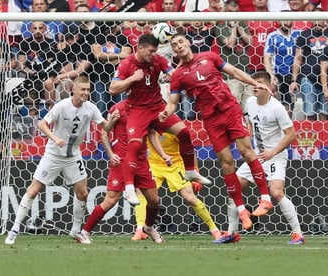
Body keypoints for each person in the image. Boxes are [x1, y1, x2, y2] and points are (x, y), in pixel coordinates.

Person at [160, 33, 272, 230]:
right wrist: (165, 113)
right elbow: (173, 102)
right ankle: (242, 210)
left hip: (230, 109)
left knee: (246, 151)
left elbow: (235, 72)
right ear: (173, 50)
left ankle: (265, 198)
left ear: (188, 42)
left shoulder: (209, 56)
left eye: (180, 42)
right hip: (211, 119)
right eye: (174, 45)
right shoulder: (177, 75)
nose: (178, 46)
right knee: (226, 162)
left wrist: (256, 83)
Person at [5, 75, 118, 245]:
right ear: (74, 89)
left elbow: (105, 127)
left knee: (83, 192)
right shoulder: (62, 106)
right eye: (83, 89)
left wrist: (113, 120)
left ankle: (76, 231)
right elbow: (42, 124)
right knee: (34, 190)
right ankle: (14, 229)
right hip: (53, 155)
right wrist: (55, 137)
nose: (86, 93)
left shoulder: (91, 108)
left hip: (73, 156)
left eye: (88, 90)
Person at [109, 34, 210, 207]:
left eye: (155, 51)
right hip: (137, 110)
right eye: (150, 51)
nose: (153, 54)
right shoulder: (127, 64)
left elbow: (174, 74)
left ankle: (190, 172)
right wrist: (133, 78)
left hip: (157, 108)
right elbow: (112, 89)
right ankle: (130, 189)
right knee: (134, 145)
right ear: (140, 48)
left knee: (184, 132)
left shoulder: (158, 60)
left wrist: (182, 79)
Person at [214, 71, 305, 245]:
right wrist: (248, 147)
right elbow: (249, 124)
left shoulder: (277, 108)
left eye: (260, 83)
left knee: (276, 193)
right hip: (256, 156)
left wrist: (272, 152)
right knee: (233, 188)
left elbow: (291, 134)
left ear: (269, 86)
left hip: (275, 155)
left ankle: (298, 234)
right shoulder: (249, 102)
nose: (256, 86)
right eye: (254, 83)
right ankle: (232, 232)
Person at [80, 100, 165, 244]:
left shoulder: (146, 108)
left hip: (141, 162)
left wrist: (163, 154)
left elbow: (151, 133)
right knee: (110, 200)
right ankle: (85, 232)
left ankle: (149, 227)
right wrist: (111, 154)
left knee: (154, 200)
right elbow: (104, 133)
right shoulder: (117, 108)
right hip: (121, 161)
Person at [131, 131, 222, 241]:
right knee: (142, 193)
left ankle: (215, 230)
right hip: (154, 164)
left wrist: (195, 170)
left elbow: (189, 149)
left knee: (190, 198)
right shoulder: (149, 124)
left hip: (175, 165)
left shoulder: (174, 127)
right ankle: (140, 230)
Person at [290, 14, 328, 121]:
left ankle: (324, 137)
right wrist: (294, 80)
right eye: (315, 19)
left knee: (324, 114)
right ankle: (309, 137)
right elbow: (298, 58)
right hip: (308, 77)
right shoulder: (304, 35)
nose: (317, 21)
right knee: (309, 114)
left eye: (320, 18)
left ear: (325, 20)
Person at [216, 0, 253, 112]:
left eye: (236, 12)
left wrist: (240, 29)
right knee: (234, 108)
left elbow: (250, 42)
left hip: (246, 73)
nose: (234, 14)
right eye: (231, 12)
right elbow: (230, 44)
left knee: (247, 109)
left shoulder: (242, 24)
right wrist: (233, 28)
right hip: (231, 76)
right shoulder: (220, 27)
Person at [264, 16, 301, 118]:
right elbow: (267, 58)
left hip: (295, 74)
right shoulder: (273, 36)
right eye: (282, 19)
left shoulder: (298, 34)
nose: (285, 22)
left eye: (287, 19)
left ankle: (288, 125)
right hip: (278, 73)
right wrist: (270, 75)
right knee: (274, 98)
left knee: (289, 104)